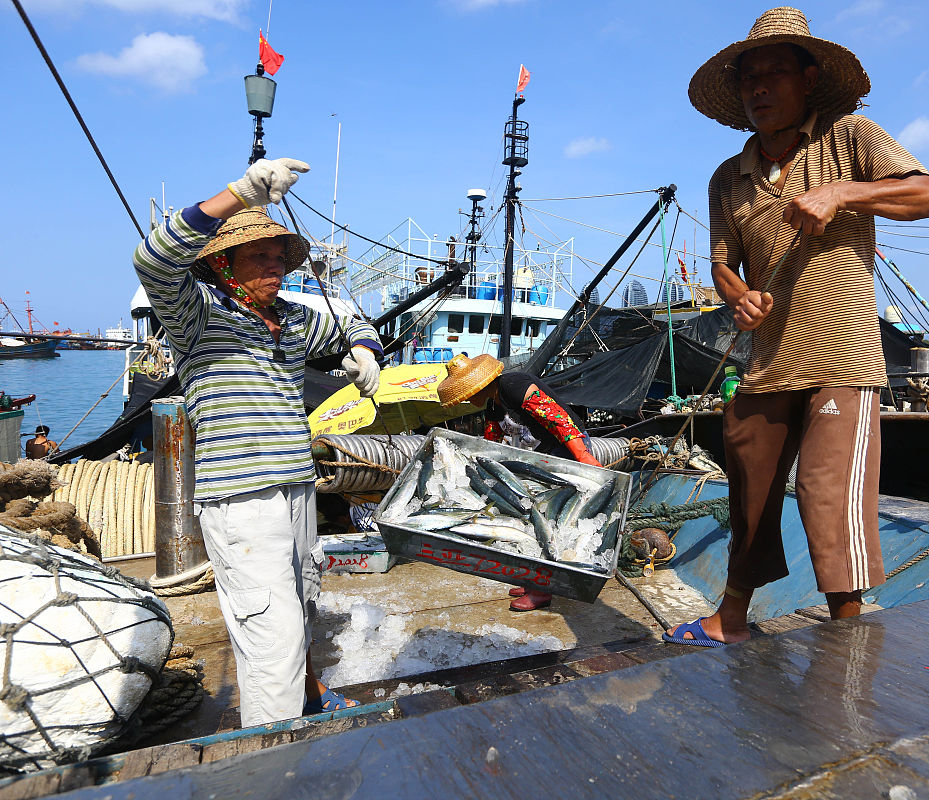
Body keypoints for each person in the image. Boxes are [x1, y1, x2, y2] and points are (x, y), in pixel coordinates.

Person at [665, 8, 929, 646]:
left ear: (808, 78)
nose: (759, 87)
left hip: (843, 358)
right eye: (749, 79)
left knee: (827, 496)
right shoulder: (726, 178)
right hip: (767, 363)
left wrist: (843, 195)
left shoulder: (851, 138)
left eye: (774, 73)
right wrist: (737, 297)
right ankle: (730, 619)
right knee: (750, 493)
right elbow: (720, 266)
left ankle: (848, 634)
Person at [132, 157, 383, 725]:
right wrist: (238, 194)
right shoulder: (197, 314)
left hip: (296, 489)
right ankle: (272, 753)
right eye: (259, 255)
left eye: (279, 257)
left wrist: (364, 348)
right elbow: (153, 258)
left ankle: (307, 698)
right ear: (224, 263)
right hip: (242, 500)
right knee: (270, 629)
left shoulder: (293, 320)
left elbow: (352, 324)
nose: (275, 265)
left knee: (301, 606)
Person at [438, 353, 602, 611]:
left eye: (467, 392)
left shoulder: (513, 386)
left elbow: (556, 417)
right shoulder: (494, 403)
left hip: (566, 449)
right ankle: (534, 580)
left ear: (479, 384)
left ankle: (543, 589)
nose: (467, 399)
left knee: (548, 519)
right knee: (531, 515)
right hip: (542, 456)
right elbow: (491, 442)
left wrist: (582, 455)